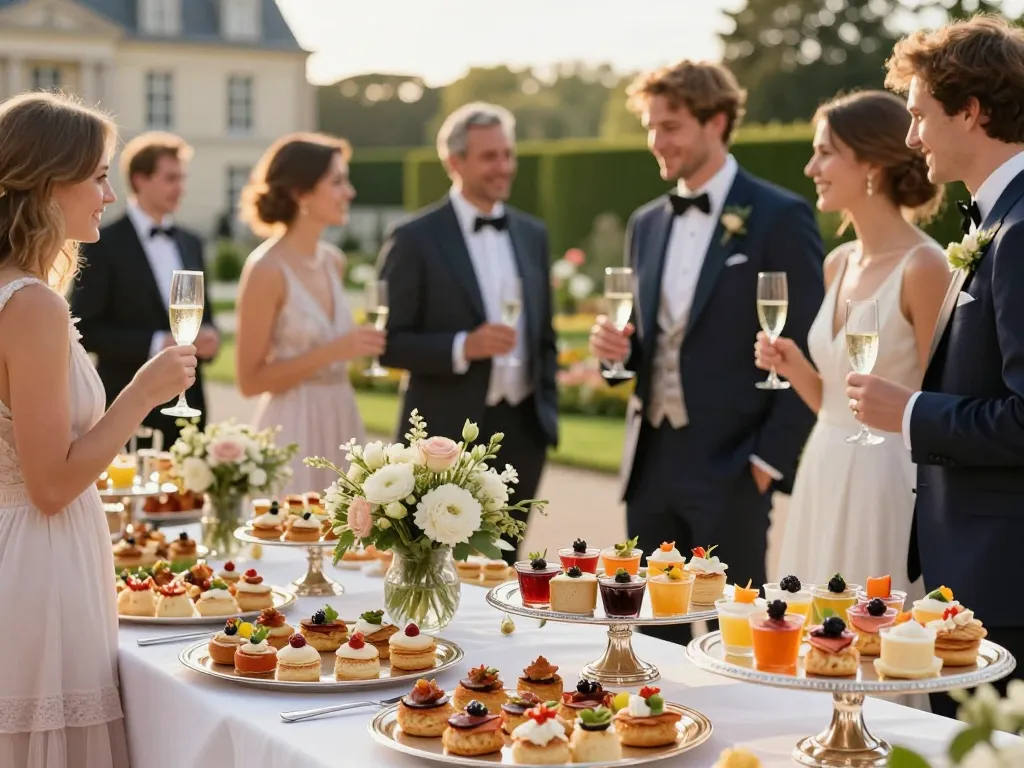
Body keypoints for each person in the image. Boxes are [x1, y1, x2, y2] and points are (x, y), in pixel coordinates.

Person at [589, 61, 823, 646]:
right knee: (647, 641)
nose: (656, 141)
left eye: (670, 126)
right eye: (650, 126)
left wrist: (766, 463)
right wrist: (616, 352)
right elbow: (649, 345)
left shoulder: (779, 216)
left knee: (737, 641)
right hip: (649, 466)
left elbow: (807, 348)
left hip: (734, 468)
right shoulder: (646, 223)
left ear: (715, 122)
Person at [0, 92, 196, 767]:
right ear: (47, 182)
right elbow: (51, 485)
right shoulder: (31, 305)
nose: (108, 195)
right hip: (40, 562)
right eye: (99, 176)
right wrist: (142, 392)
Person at [849, 15, 1024, 716]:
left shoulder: (1019, 234)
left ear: (971, 111)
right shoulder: (993, 222)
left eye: (920, 115)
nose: (912, 137)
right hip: (976, 572)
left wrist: (912, 412)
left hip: (1006, 586)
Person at [755, 91, 949, 597]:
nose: (810, 168)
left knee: (873, 624)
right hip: (823, 466)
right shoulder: (837, 262)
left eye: (825, 153)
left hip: (887, 481)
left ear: (872, 164)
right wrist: (795, 367)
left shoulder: (924, 267)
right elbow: (837, 404)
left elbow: (943, 404)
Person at [378, 103, 558, 563]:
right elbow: (390, 344)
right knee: (437, 567)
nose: (504, 166)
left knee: (505, 567)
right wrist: (464, 346)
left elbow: (545, 335)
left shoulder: (532, 233)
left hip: (523, 432)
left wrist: (547, 415)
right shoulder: (414, 237)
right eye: (489, 156)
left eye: (508, 154)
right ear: (454, 161)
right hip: (445, 436)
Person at [235, 133, 383, 494]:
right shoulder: (266, 269)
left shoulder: (334, 261)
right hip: (294, 428)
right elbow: (249, 381)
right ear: (301, 193)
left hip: (343, 418)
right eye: (337, 182)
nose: (350, 192)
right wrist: (335, 350)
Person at [70, 131, 218, 446]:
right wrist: (157, 343)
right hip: (127, 412)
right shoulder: (101, 243)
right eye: (171, 178)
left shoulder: (191, 242)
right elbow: (85, 330)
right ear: (140, 179)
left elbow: (206, 317)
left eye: (182, 178)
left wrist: (211, 338)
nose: (181, 188)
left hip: (189, 410)